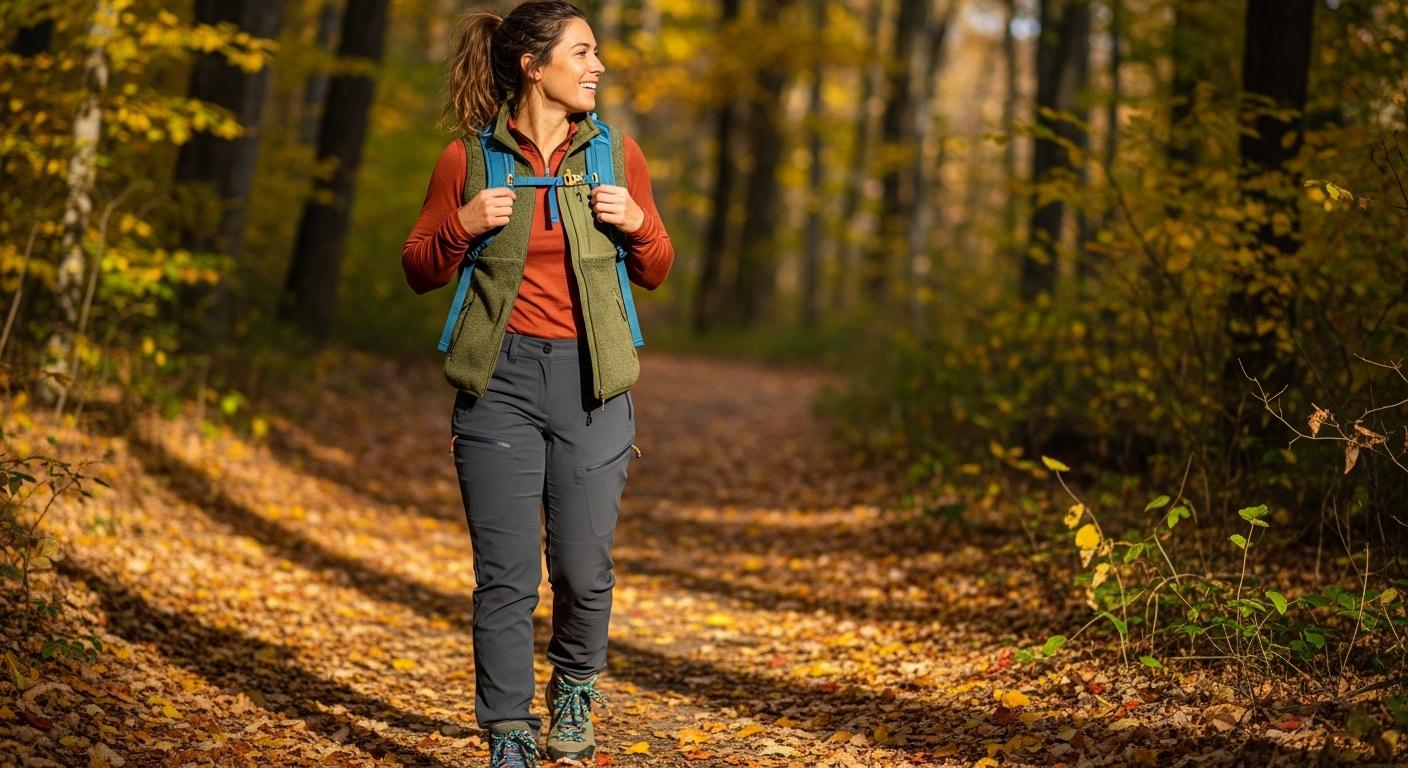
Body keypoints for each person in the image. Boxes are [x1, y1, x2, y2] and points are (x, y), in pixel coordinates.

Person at [401, 2, 673, 766]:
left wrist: (636, 226)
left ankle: (576, 686)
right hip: (500, 386)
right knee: (506, 573)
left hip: (594, 385)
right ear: (533, 65)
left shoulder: (618, 158)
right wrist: (463, 223)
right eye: (583, 52)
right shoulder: (469, 160)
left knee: (585, 571)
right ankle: (509, 731)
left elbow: (656, 269)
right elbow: (419, 267)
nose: (598, 66)